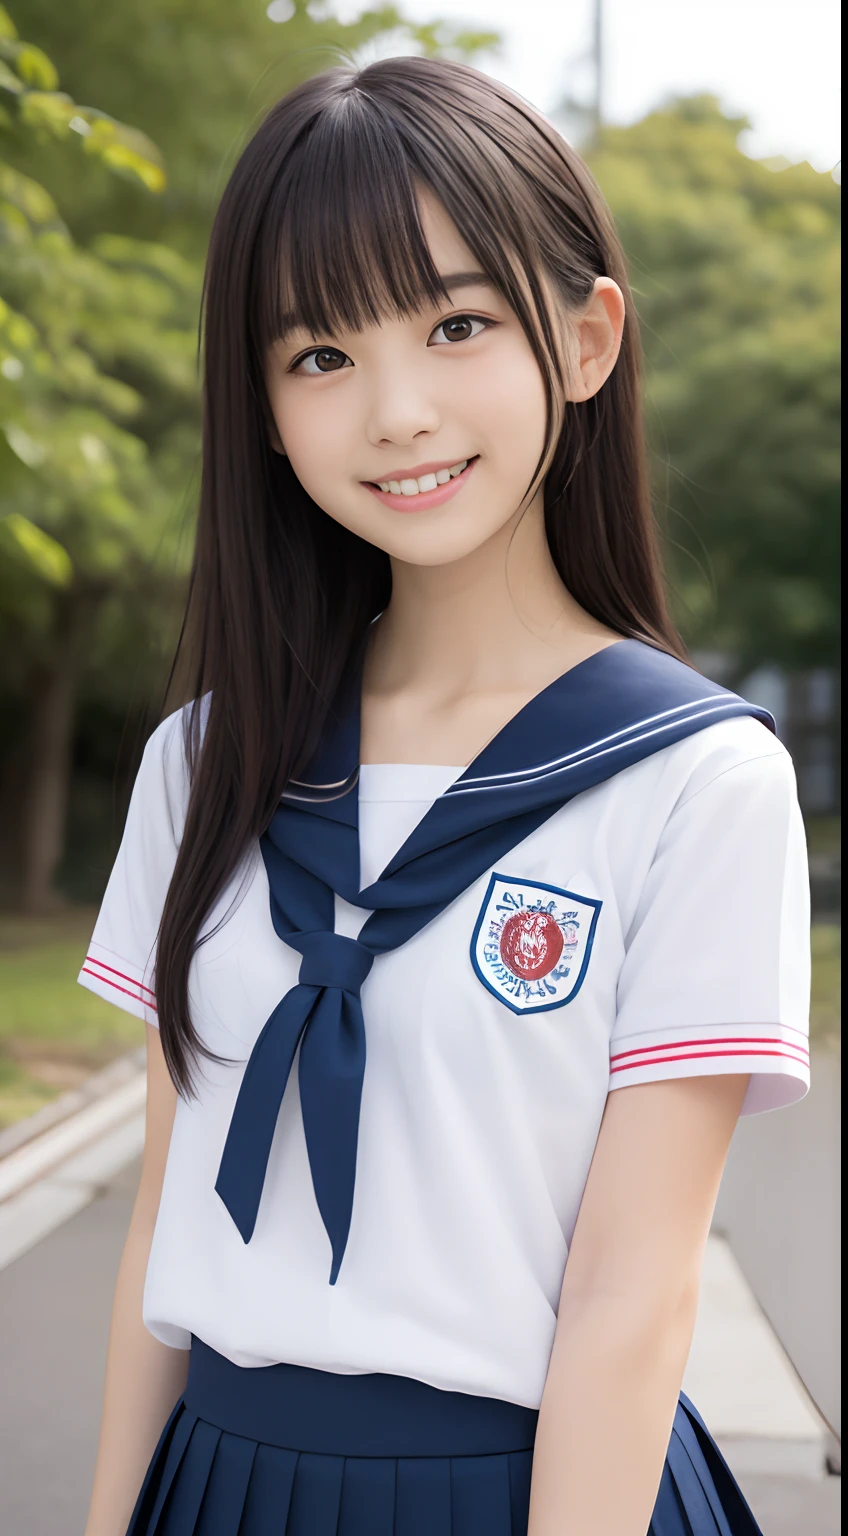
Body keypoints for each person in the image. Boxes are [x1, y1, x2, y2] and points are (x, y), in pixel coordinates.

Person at [79, 56, 810, 1536]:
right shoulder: (208, 760)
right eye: (320, 357)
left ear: (589, 338)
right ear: (265, 407)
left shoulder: (694, 783)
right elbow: (165, 1227)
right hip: (218, 1484)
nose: (399, 411)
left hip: (534, 1491)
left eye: (459, 324)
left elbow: (629, 1299)